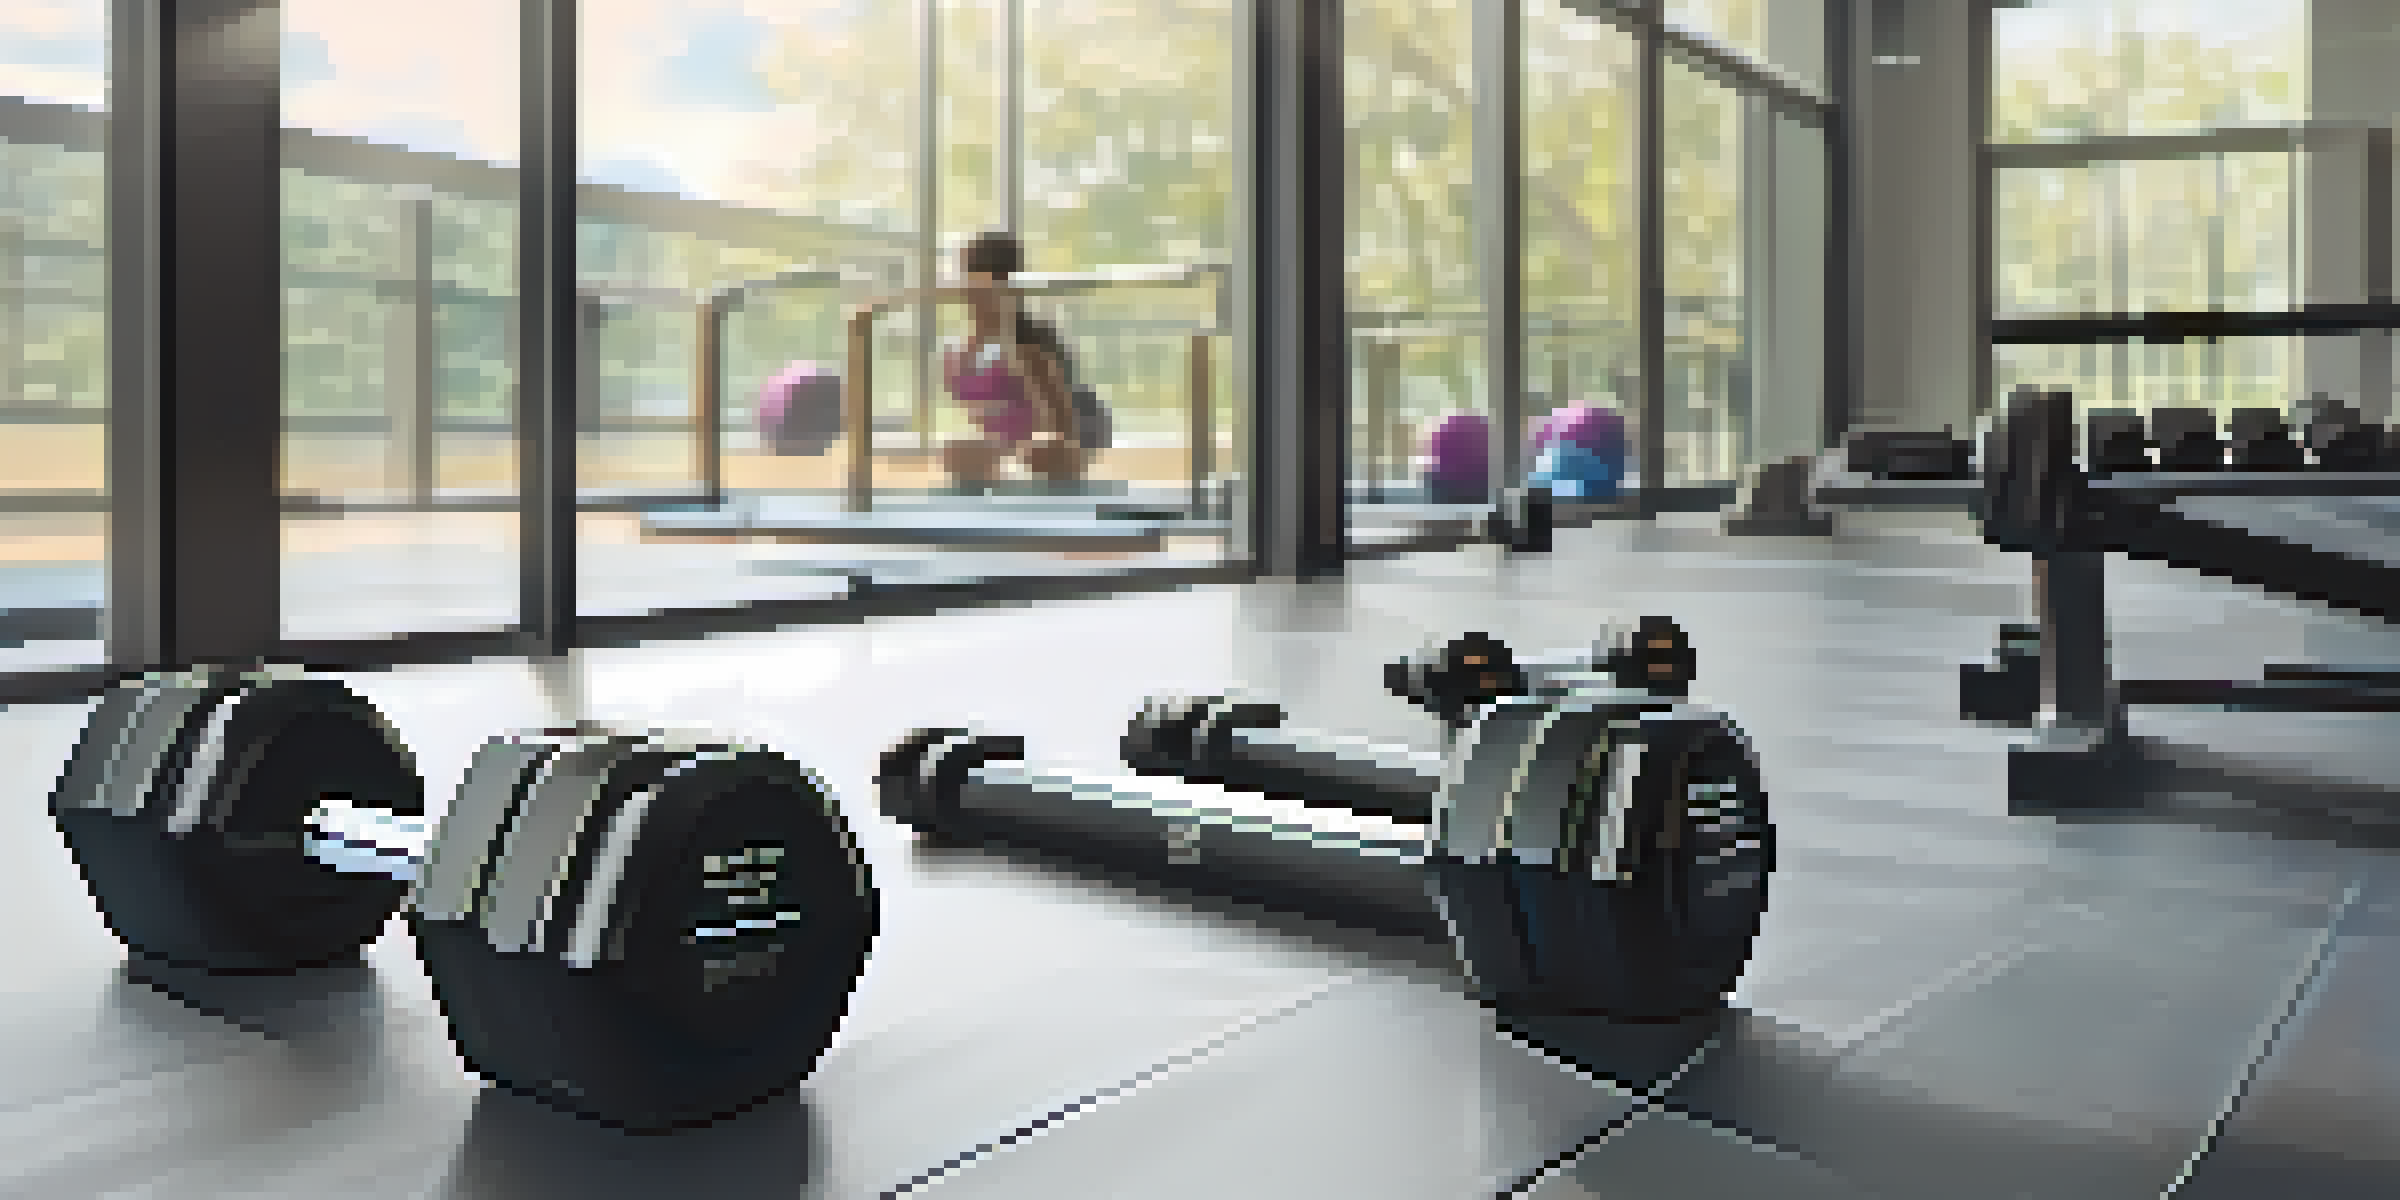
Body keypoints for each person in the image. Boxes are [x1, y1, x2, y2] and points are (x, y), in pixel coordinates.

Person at [939, 231, 1087, 488]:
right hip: (995, 469)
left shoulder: (1029, 347)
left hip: (1037, 471)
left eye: (969, 273)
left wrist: (1029, 460)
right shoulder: (958, 352)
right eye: (962, 273)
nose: (961, 286)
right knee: (964, 450)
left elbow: (1062, 427)